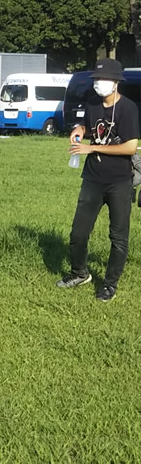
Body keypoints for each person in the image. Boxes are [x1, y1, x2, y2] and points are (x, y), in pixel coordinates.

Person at [58, 58, 139, 302]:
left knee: (118, 237)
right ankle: (79, 273)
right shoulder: (92, 103)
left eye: (104, 80)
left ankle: (109, 285)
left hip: (119, 181)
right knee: (78, 233)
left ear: (116, 83)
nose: (99, 84)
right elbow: (85, 124)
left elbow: (130, 147)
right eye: (96, 80)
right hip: (92, 178)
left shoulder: (128, 108)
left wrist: (91, 149)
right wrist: (79, 130)